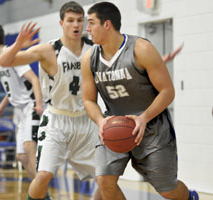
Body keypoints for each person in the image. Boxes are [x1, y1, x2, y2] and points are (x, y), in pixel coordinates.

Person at [81, 2, 198, 200]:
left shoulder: (141, 49)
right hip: (114, 126)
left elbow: (167, 91)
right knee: (104, 181)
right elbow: (88, 101)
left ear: (107, 24)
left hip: (152, 128)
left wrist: (143, 118)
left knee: (167, 190)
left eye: (91, 23)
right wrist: (101, 121)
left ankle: (189, 197)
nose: (87, 29)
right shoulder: (89, 58)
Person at [0, 2, 102, 199]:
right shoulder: (48, 50)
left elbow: (121, 65)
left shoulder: (94, 49)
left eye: (80, 20)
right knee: (43, 175)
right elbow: (3, 62)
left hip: (85, 121)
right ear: (61, 23)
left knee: (105, 178)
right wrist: (19, 44)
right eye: (70, 20)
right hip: (56, 120)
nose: (76, 25)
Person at [0, 23, 44, 180]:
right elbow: (12, 90)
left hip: (31, 106)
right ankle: (40, 192)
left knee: (29, 148)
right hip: (19, 110)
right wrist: (1, 107)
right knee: (21, 156)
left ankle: (41, 191)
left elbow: (34, 79)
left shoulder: (11, 55)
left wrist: (39, 104)